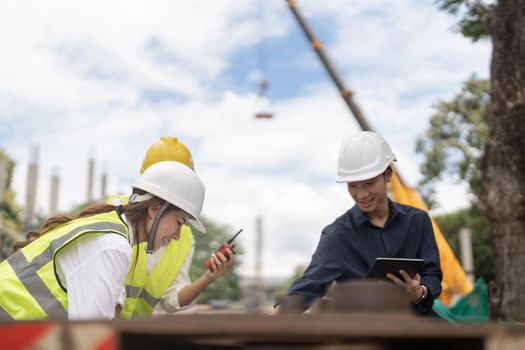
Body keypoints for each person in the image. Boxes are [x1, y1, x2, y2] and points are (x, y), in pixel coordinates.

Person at [0, 161, 235, 320]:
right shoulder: (113, 245)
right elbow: (92, 338)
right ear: (155, 209)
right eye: (180, 222)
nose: (176, 236)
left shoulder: (109, 227)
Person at [278, 131, 442, 315]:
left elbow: (432, 274)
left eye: (369, 183)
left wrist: (419, 293)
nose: (361, 194)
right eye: (352, 185)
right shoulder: (338, 235)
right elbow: (308, 286)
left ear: (388, 175)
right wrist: (274, 319)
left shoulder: (418, 221)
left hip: (420, 329)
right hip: (367, 334)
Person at [109, 136, 231, 318]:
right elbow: (109, 293)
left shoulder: (184, 237)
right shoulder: (117, 214)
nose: (177, 235)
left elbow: (171, 301)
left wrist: (209, 277)